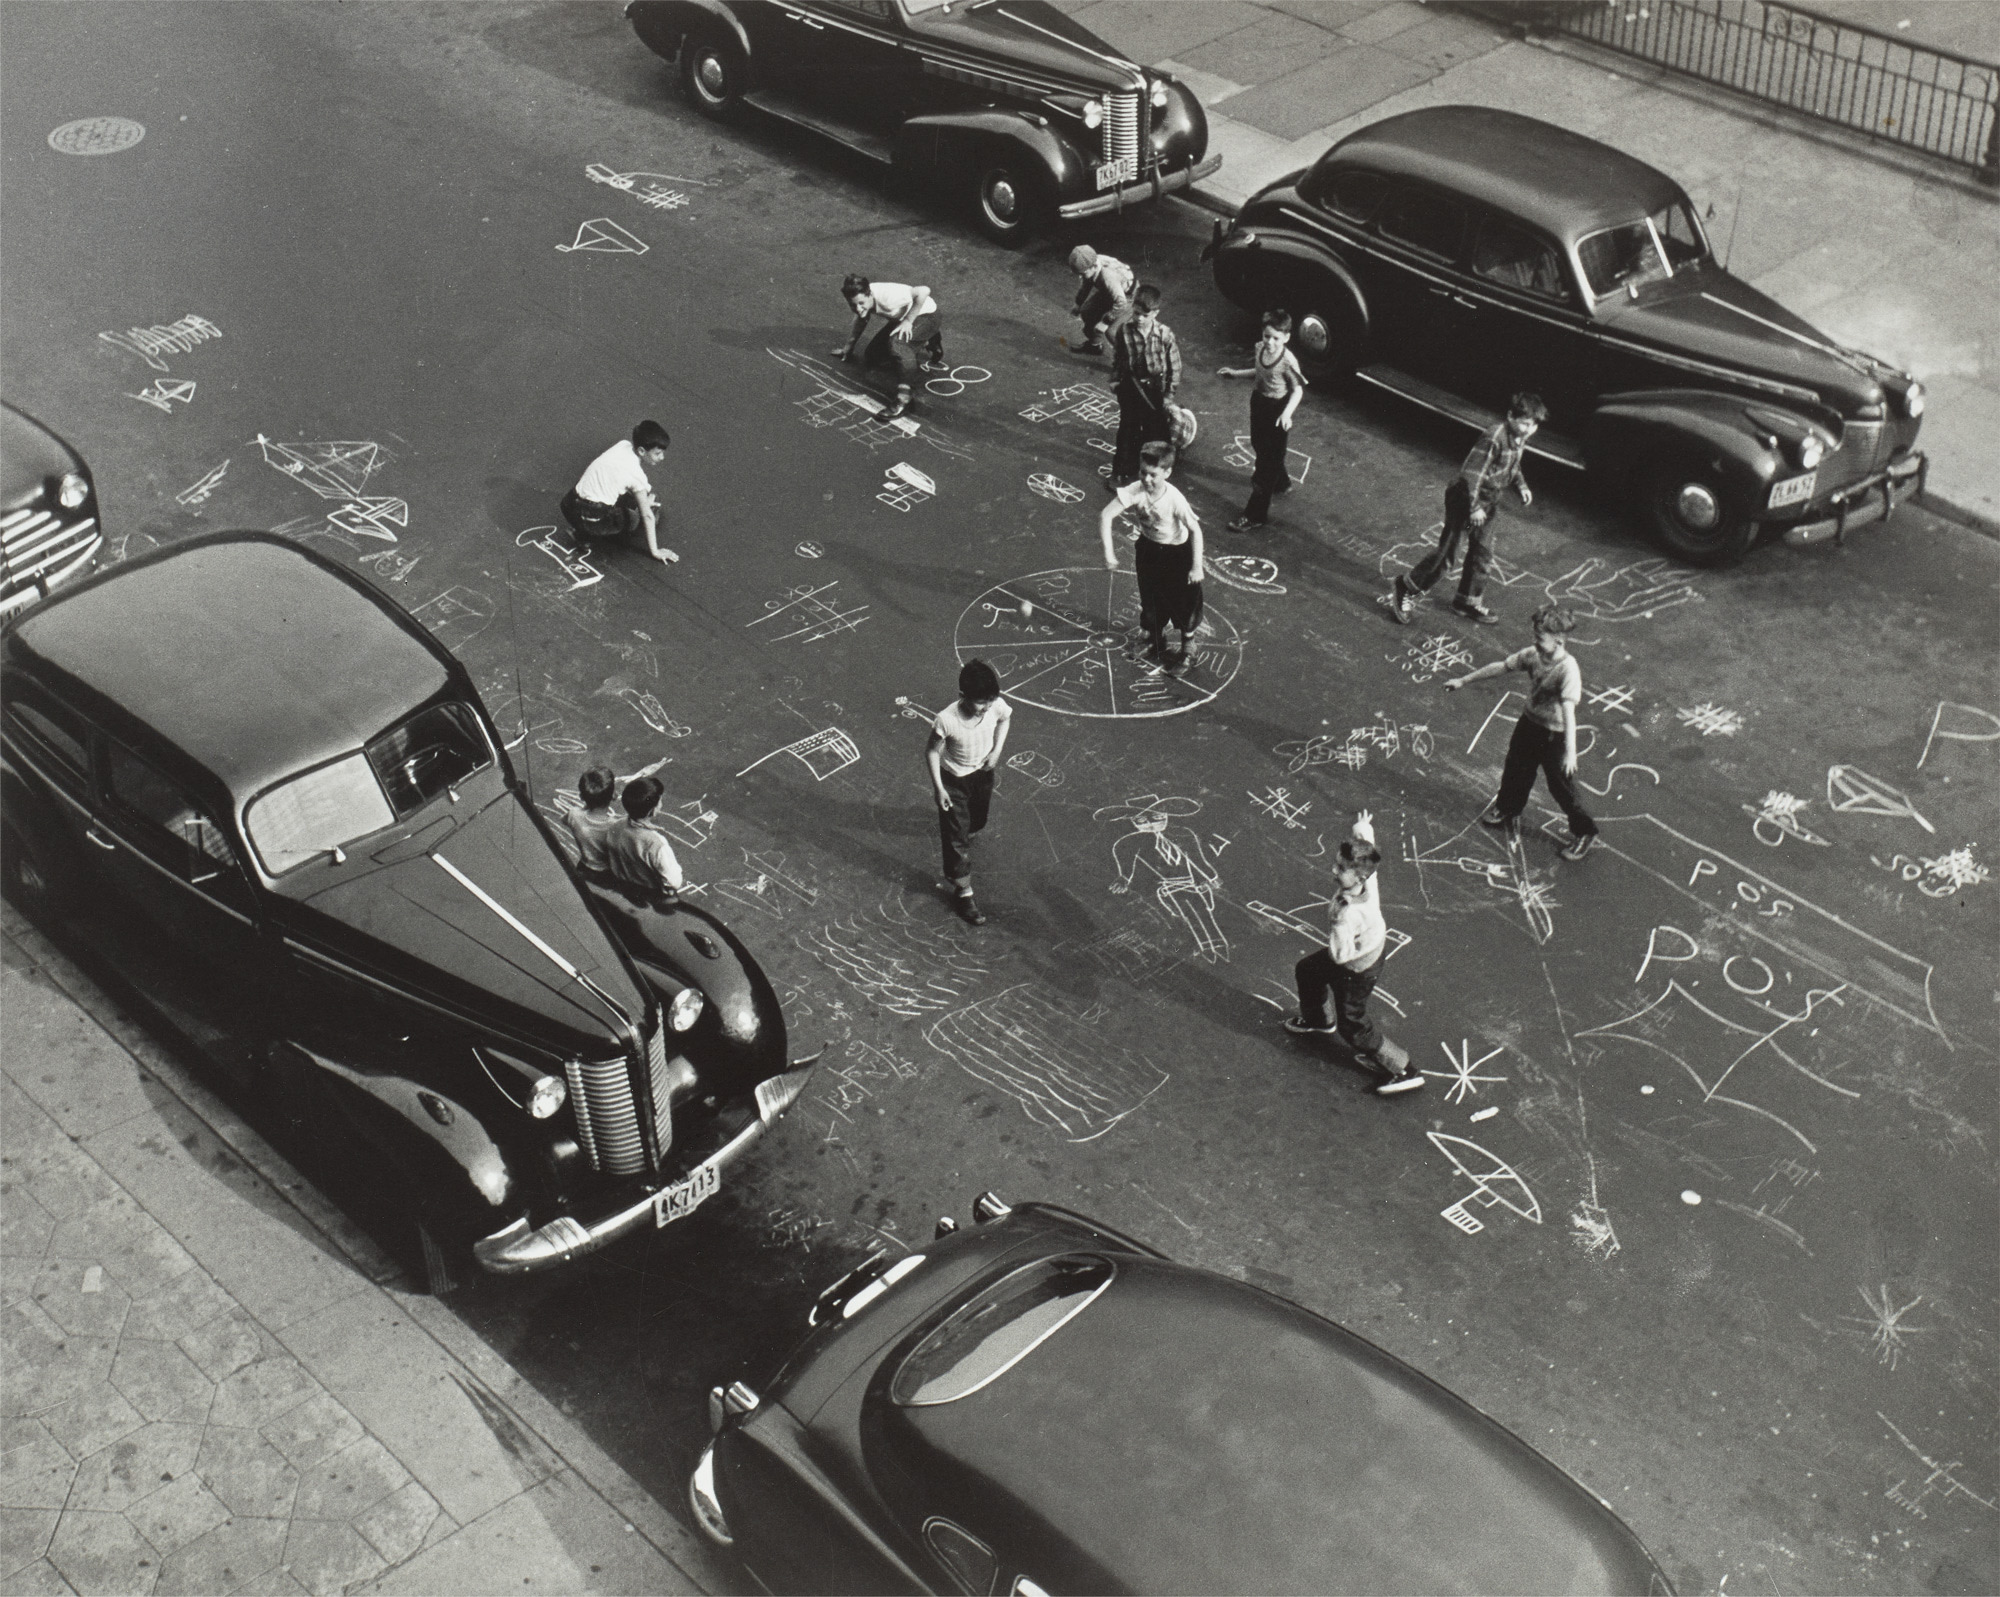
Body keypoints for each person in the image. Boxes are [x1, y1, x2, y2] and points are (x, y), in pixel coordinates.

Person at [1444, 604, 1598, 860]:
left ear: (1558, 640)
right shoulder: (1534, 655)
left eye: (1540, 638)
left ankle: (1585, 831)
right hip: (1530, 724)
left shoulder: (1568, 669)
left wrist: (1571, 753)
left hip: (1554, 735)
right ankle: (1508, 808)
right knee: (1516, 768)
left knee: (1561, 786)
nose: (1535, 642)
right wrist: (1464, 680)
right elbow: (1502, 666)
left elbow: (1569, 715)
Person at [1284, 811, 1421, 1094]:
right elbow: (1365, 843)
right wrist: (1363, 827)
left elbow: (1339, 957)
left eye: (1340, 869)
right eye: (1336, 863)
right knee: (1308, 970)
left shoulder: (1349, 915)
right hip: (1365, 950)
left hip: (1356, 967)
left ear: (1358, 875)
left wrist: (1336, 925)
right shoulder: (1367, 880)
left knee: (1354, 1025)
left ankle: (1403, 1069)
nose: (1334, 871)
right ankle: (1319, 1020)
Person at [1384, 392, 1548, 626]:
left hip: (1487, 506)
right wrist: (1473, 509)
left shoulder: (1518, 438)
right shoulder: (1494, 438)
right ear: (1510, 416)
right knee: (1449, 553)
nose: (1527, 430)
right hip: (1467, 505)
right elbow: (1471, 475)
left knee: (1482, 551)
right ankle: (1407, 586)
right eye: (1524, 423)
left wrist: (1521, 485)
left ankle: (1467, 600)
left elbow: (1513, 464)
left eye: (1532, 426)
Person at [1099, 440, 1204, 671]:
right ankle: (1155, 639)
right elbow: (1106, 515)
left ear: (1167, 472)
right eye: (1143, 472)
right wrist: (1109, 552)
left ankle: (1188, 648)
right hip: (1149, 549)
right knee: (1150, 597)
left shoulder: (1174, 499)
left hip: (1178, 554)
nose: (1146, 479)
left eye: (1153, 475)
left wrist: (1196, 566)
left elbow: (1196, 530)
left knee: (1184, 601)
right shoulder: (1135, 490)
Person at [926, 660, 1012, 926]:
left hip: (982, 774)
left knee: (978, 820)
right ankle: (964, 890)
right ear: (963, 696)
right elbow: (931, 751)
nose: (985, 708)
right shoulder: (946, 720)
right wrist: (939, 788)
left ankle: (967, 832)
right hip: (954, 782)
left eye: (989, 701)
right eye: (979, 703)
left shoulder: (994, 706)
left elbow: (1005, 718)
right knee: (955, 839)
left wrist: (996, 751)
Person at [1218, 310, 1306, 534]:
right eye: (1267, 336)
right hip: (1259, 403)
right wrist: (1235, 373)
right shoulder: (1260, 348)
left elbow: (1297, 390)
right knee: (1259, 445)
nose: (1270, 342)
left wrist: (1286, 414)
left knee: (1265, 466)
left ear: (1286, 337)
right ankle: (1282, 482)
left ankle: (1254, 515)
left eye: (1276, 338)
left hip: (1277, 410)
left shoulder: (1287, 361)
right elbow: (1258, 373)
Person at [561, 421, 678, 565]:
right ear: (641, 451)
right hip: (590, 517)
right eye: (657, 453)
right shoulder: (636, 475)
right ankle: (585, 535)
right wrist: (656, 551)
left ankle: (582, 528)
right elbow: (647, 515)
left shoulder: (623, 444)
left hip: (569, 505)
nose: (662, 457)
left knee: (628, 496)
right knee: (638, 519)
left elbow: (616, 474)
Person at [832, 274, 947, 420]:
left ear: (870, 295)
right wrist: (848, 347)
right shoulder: (864, 299)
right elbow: (862, 319)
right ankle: (928, 339)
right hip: (900, 319)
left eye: (861, 303)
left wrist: (908, 321)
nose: (858, 308)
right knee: (873, 356)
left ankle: (904, 398)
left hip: (928, 317)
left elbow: (924, 291)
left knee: (897, 345)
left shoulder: (889, 298)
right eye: (852, 305)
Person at [1109, 285, 1182, 487]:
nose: (1139, 318)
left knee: (1155, 429)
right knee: (1127, 428)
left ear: (1155, 313)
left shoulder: (1164, 334)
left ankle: (1159, 467)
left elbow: (1174, 367)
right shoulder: (1124, 331)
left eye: (1144, 315)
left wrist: (1169, 394)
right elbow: (1119, 358)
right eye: (1136, 313)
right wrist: (1115, 378)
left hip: (1154, 388)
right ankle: (1122, 471)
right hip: (1131, 385)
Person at [604, 775, 686, 901]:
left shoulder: (616, 826)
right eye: (660, 802)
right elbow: (674, 881)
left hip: (624, 884)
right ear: (652, 812)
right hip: (649, 893)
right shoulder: (656, 844)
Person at [1068, 244, 1135, 355]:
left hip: (1128, 297)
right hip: (1112, 292)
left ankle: (1130, 359)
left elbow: (1121, 302)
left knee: (1111, 332)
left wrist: (1105, 321)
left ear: (1094, 267)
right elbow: (1086, 284)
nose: (1080, 277)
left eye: (1082, 274)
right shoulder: (1091, 262)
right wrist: (1078, 303)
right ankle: (1095, 346)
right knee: (1086, 312)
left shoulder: (1107, 276)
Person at [565, 765, 621, 879]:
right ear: (612, 796)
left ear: (581, 796)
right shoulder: (615, 826)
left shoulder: (573, 814)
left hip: (584, 867)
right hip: (608, 872)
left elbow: (565, 820)